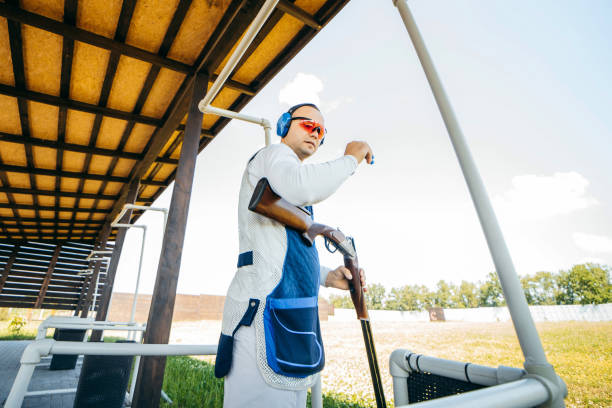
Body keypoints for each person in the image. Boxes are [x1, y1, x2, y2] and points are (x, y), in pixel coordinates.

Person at [215, 103, 374, 407]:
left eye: (322, 131)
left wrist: (328, 276)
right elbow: (301, 186)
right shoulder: (275, 157)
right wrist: (351, 158)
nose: (316, 133)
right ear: (284, 124)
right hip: (261, 315)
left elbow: (284, 249)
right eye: (308, 125)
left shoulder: (290, 183)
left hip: (286, 315)